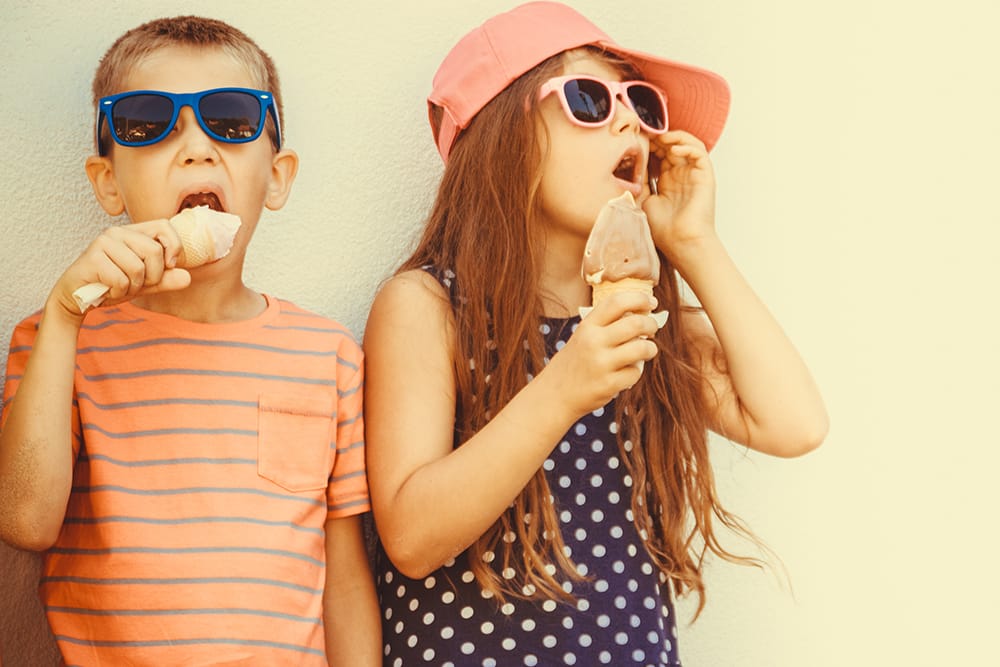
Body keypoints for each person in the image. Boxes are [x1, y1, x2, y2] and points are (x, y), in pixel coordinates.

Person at [363, 2, 829, 665]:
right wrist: (565, 387)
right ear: (504, 138)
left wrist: (694, 242)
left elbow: (796, 422)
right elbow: (410, 534)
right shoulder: (430, 307)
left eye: (641, 104)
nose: (630, 121)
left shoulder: (645, 326)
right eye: (589, 98)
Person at [0, 16, 380, 666]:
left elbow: (343, 580)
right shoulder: (57, 339)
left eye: (231, 120)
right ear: (108, 182)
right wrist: (68, 310)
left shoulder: (327, 354)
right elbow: (25, 521)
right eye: (149, 122)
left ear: (279, 176)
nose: (197, 147)